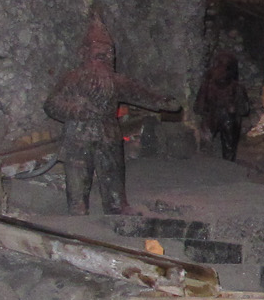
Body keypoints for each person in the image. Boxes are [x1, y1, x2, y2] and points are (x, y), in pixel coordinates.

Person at [43, 14, 179, 214]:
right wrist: (75, 110)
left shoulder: (116, 81)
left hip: (108, 135)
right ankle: (78, 208)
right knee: (78, 172)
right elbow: (52, 104)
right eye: (99, 52)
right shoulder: (73, 78)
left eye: (108, 53)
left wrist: (162, 102)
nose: (105, 56)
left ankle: (116, 205)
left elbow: (140, 95)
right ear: (85, 53)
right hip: (79, 135)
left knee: (112, 171)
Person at [194, 50, 251, 162]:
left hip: (229, 120)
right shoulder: (207, 86)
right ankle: (206, 158)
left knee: (229, 123)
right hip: (211, 118)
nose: (221, 70)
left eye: (225, 66)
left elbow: (244, 109)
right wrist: (209, 108)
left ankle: (227, 161)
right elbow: (198, 108)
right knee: (207, 134)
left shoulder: (237, 88)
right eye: (219, 65)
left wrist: (233, 108)